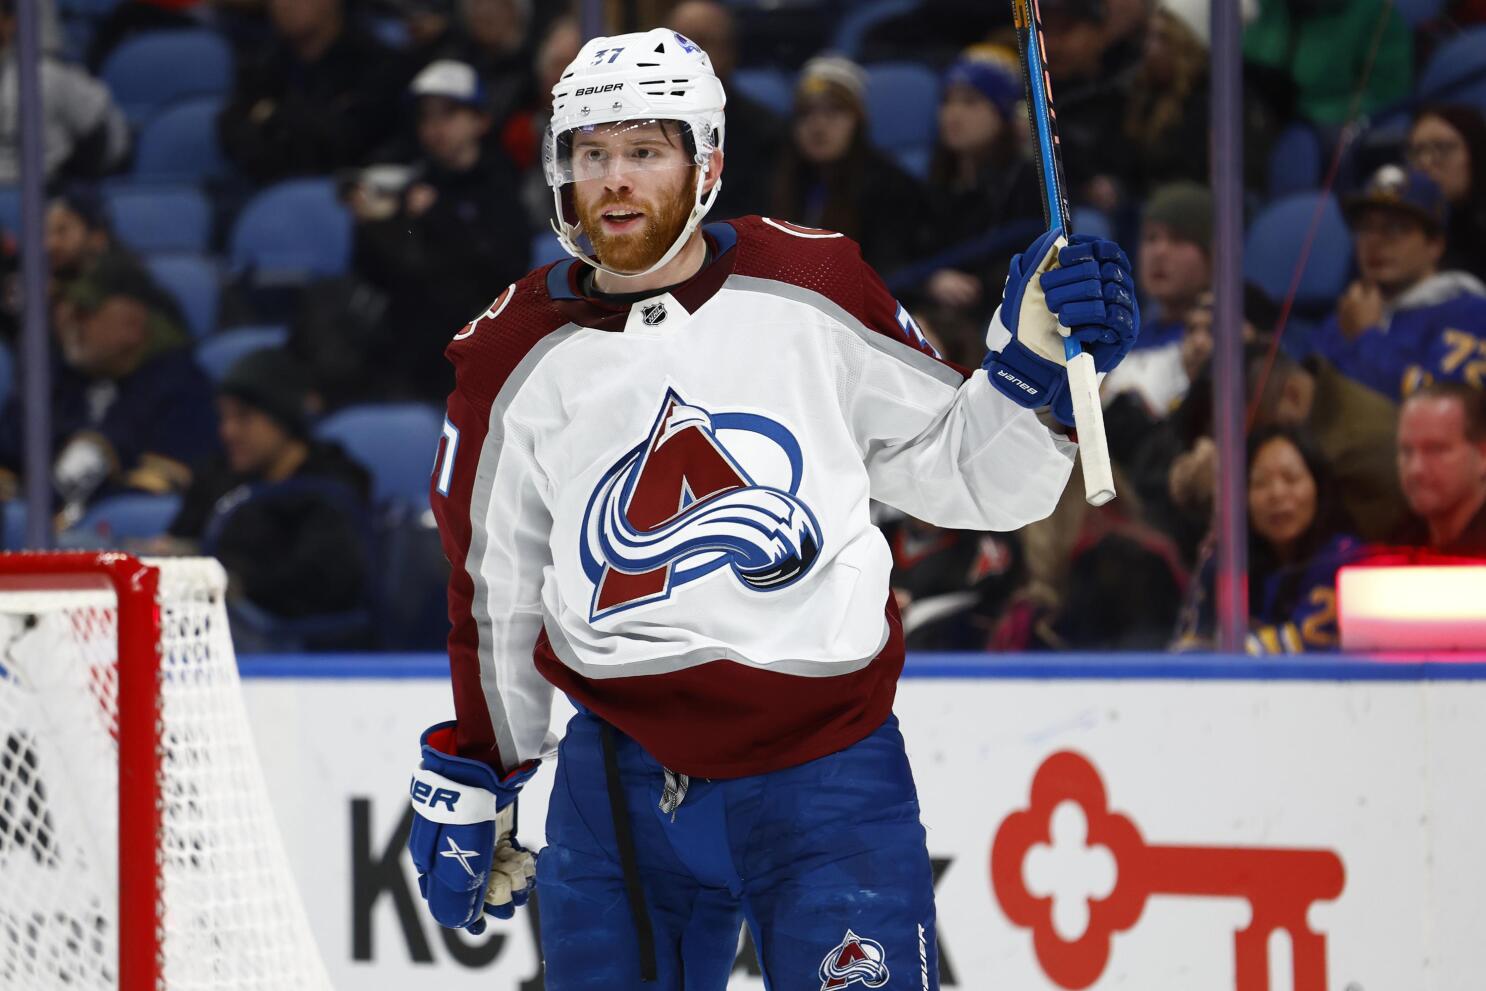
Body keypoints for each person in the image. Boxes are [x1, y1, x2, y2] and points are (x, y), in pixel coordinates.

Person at [403, 26, 1138, 989]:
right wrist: (480, 765)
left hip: (824, 775)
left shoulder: (813, 285)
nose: (614, 180)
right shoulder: (506, 357)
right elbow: (495, 592)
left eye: (643, 151)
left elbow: (960, 476)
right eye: (592, 154)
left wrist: (1031, 369)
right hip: (618, 783)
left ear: (704, 161)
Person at [351, 58, 530, 402]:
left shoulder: (501, 186)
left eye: (448, 113)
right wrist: (375, 225)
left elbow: (504, 270)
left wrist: (438, 215)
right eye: (426, 116)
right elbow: (379, 273)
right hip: (414, 342)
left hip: (478, 338)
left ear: (480, 120)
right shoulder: (411, 184)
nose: (435, 127)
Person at [154, 348, 373, 621]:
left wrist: (235, 581)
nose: (228, 431)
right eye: (224, 417)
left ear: (282, 417)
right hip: (208, 619)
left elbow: (320, 581)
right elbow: (179, 542)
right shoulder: (217, 477)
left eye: (243, 417)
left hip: (291, 638)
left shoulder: (332, 485)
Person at [0, 251, 216, 518]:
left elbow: (160, 492)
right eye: (68, 308)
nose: (70, 322)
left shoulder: (182, 385)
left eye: (85, 313)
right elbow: (10, 451)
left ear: (132, 324)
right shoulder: (58, 372)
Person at [1313, 165, 1486, 402]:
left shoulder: (1471, 313)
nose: (1374, 241)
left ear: (1435, 244)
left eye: (1395, 228)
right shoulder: (1348, 315)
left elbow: (1438, 411)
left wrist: (1366, 337)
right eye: (1365, 228)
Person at [916, 44, 1042, 362]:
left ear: (1002, 114)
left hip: (991, 315)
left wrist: (974, 287)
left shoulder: (1027, 183)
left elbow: (1031, 262)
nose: (953, 113)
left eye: (970, 102)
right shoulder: (931, 185)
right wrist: (931, 282)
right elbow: (905, 260)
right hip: (930, 310)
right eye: (948, 101)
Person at [768, 55, 931, 275]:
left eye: (833, 112)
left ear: (858, 121)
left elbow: (889, 268)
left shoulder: (891, 187)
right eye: (806, 113)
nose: (818, 126)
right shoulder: (776, 177)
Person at [216, 0, 397, 183]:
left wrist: (271, 116)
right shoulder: (263, 63)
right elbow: (233, 128)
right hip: (269, 185)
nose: (284, 5)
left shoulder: (376, 62)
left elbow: (346, 142)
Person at [668, 0, 784, 220]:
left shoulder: (765, 133)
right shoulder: (639, 125)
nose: (692, 56)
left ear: (730, 52)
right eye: (681, 45)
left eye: (703, 43)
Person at [1102, 181, 1211, 414]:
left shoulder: (1222, 343)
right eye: (1151, 238)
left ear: (1212, 255)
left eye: (1178, 239)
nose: (1159, 251)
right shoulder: (1123, 338)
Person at [0, 0, 129, 186]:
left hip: (46, 194)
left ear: (10, 22)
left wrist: (71, 184)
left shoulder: (48, 76)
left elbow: (102, 134)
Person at [1122, 8, 1209, 197]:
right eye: (1149, 37)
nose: (1150, 49)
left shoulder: (1208, 103)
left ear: (1187, 45)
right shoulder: (1141, 94)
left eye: (1163, 39)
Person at [1394, 381, 1486, 555]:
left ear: (1483, 456)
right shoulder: (1401, 539)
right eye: (1406, 451)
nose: (1416, 469)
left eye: (1435, 449)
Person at [1408, 104, 1486, 282]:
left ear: (1476, 153)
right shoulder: (1407, 232)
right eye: (1417, 151)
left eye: (1442, 148)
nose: (1425, 162)